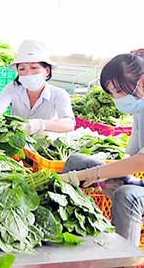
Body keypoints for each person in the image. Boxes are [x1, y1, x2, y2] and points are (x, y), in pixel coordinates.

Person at [60, 52, 144, 246]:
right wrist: (103, 178)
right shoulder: (139, 111)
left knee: (127, 196)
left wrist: (94, 174)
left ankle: (123, 259)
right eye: (113, 93)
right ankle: (71, 232)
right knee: (77, 162)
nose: (117, 98)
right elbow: (130, 157)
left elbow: (140, 161)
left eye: (119, 91)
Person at [0, 40, 74, 134]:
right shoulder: (12, 88)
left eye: (34, 67)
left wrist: (40, 124)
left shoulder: (59, 94)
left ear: (47, 71)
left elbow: (69, 124)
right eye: (22, 69)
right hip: (17, 143)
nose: (28, 73)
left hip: (47, 144)